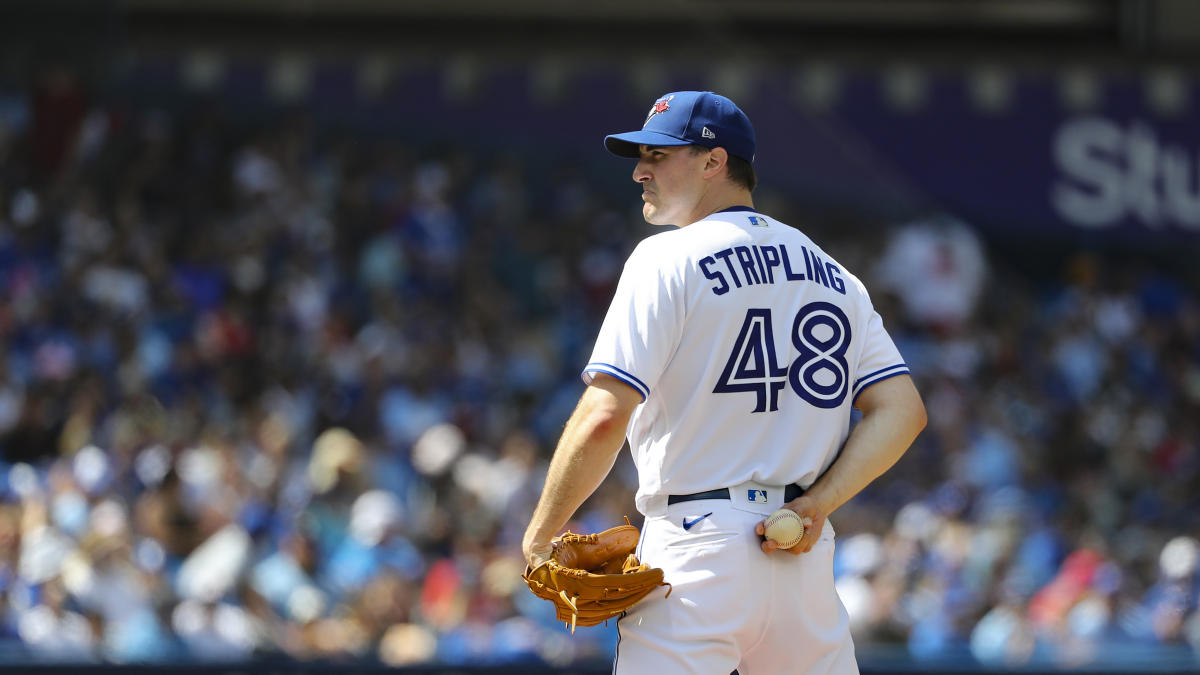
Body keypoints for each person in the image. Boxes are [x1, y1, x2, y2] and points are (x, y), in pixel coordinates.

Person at [522, 91, 927, 674]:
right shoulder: (834, 274)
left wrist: (539, 537)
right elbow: (902, 409)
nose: (640, 171)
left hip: (695, 550)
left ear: (714, 161)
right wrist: (819, 504)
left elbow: (605, 415)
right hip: (800, 558)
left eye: (659, 156)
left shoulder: (667, 258)